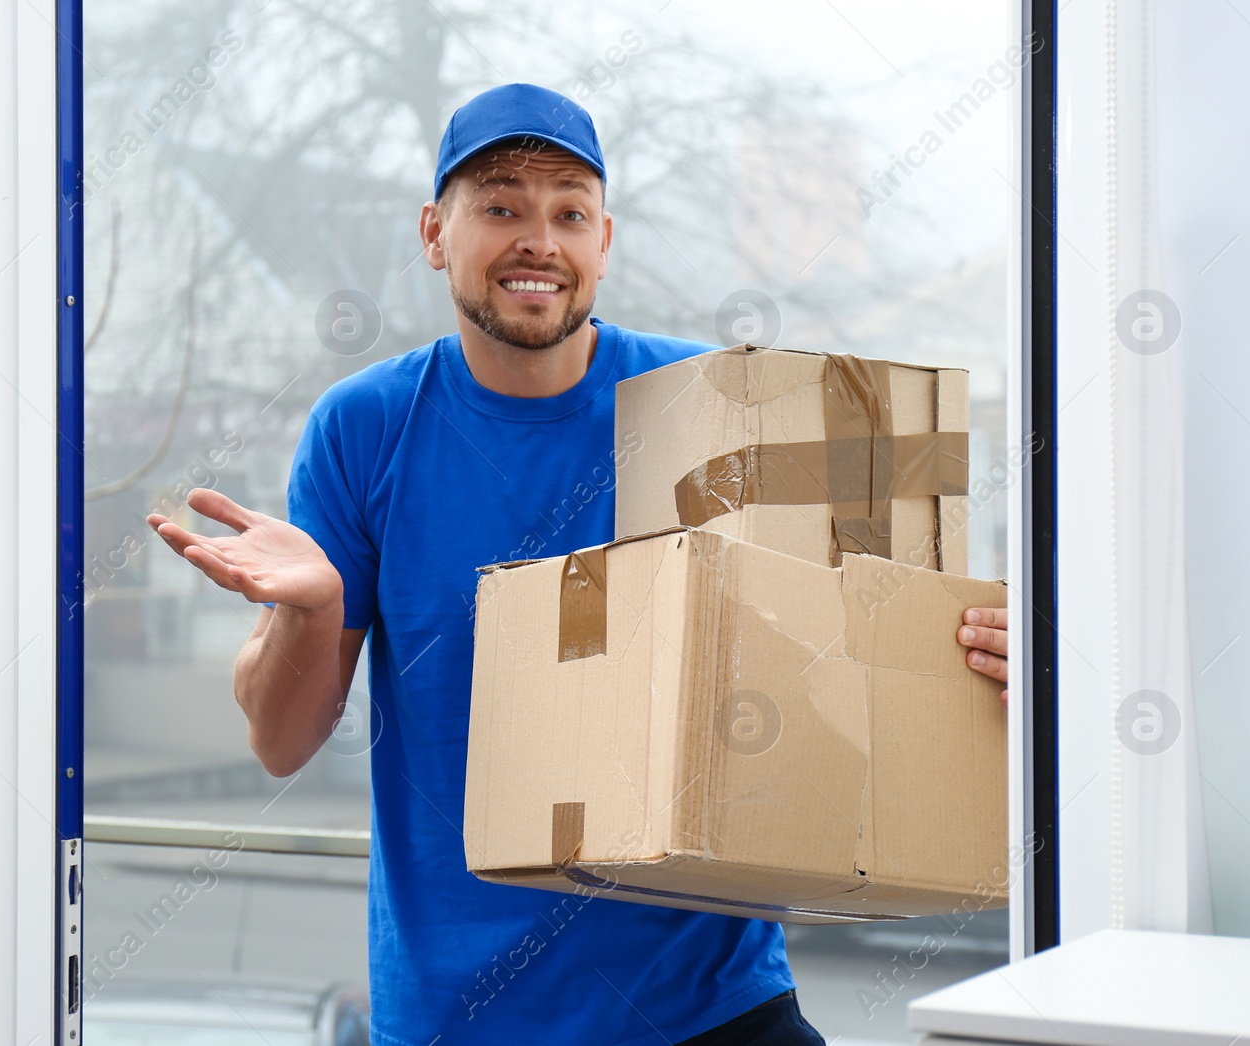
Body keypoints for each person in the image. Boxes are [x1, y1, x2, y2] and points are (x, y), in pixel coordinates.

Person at [149, 83, 1012, 1046]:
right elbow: (279, 741)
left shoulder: (713, 411)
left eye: (569, 212)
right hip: (463, 1019)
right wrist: (311, 615)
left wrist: (975, 665)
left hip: (712, 1009)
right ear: (437, 233)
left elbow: (846, 651)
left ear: (605, 241)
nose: (539, 240)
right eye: (502, 206)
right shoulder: (366, 428)